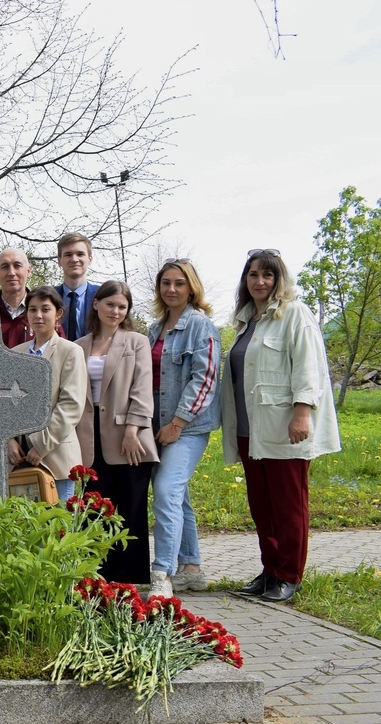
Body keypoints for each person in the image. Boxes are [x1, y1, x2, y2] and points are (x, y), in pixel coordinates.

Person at [222, 249, 340, 603]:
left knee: (288, 505)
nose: (259, 281)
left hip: (283, 426)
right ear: (245, 280)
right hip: (249, 430)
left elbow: (310, 368)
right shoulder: (246, 322)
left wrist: (302, 413)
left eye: (267, 275)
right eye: (253, 275)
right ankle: (270, 570)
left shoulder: (295, 315)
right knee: (262, 506)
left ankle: (290, 575)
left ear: (278, 280)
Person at [147, 259, 221, 597]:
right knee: (179, 497)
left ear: (191, 287)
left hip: (187, 426)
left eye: (179, 283)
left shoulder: (200, 326)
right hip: (157, 425)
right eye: (166, 283)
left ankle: (162, 573)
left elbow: (204, 379)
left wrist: (178, 422)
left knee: (165, 492)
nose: (171, 289)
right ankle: (191, 568)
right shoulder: (154, 329)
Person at [75, 280, 158, 584]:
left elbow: (142, 388)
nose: (116, 311)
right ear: (96, 304)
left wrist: (133, 429)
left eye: (122, 307)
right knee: (94, 509)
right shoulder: (79, 345)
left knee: (131, 511)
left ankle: (131, 581)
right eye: (110, 304)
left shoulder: (136, 342)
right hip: (89, 437)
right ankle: (96, 578)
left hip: (129, 437)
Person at [9, 287, 87, 501]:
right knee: (25, 530)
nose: (38, 315)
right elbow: (6, 404)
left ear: (58, 314)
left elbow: (71, 406)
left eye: (45, 309)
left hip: (56, 455)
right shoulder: (16, 353)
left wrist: (41, 446)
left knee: (60, 529)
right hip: (20, 456)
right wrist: (9, 441)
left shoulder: (70, 351)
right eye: (33, 310)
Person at [55, 232, 100, 341]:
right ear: (59, 260)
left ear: (90, 259)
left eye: (80, 254)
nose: (74, 259)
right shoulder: (48, 296)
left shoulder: (102, 296)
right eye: (68, 254)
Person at [0, 248, 35, 348]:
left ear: (28, 271)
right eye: (5, 267)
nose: (11, 273)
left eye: (17, 266)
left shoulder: (43, 311)